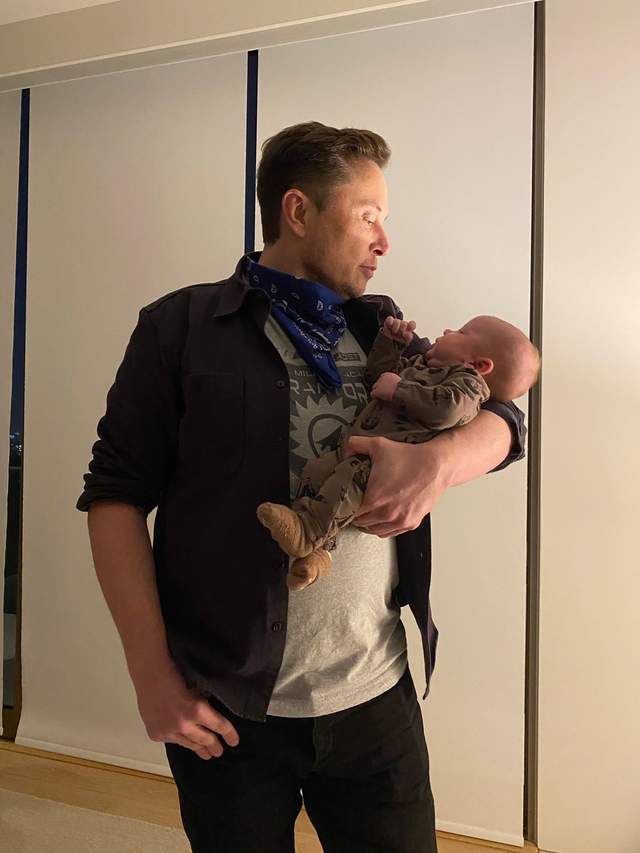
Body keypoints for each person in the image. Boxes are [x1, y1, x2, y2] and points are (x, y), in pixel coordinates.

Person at [77, 121, 527, 853]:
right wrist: (150, 676)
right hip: (227, 708)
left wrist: (441, 464)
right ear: (298, 211)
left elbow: (505, 415)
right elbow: (114, 496)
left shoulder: (384, 330)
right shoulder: (180, 328)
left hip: (376, 697)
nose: (386, 241)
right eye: (369, 215)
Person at [257, 314, 540, 591]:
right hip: (353, 450)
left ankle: (307, 533)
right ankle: (320, 550)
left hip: (374, 465)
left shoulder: (469, 385)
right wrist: (390, 345)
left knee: (345, 484)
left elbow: (464, 413)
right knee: (317, 474)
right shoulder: (422, 364)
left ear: (479, 365)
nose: (447, 330)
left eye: (461, 332)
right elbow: (377, 379)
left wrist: (437, 460)